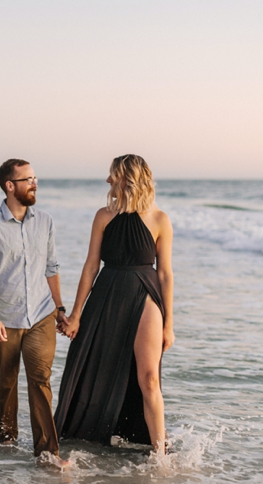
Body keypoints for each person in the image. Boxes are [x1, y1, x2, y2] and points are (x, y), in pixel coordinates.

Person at [54, 154, 174, 454]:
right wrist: (77, 315)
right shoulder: (104, 216)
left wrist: (169, 324)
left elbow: (165, 273)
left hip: (144, 294)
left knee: (149, 377)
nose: (108, 181)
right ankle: (91, 439)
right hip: (107, 294)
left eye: (113, 175)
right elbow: (91, 266)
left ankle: (161, 455)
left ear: (129, 178)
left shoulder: (160, 220)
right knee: (97, 368)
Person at [0, 159, 69, 465]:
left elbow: (51, 268)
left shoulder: (46, 221)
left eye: (35, 177)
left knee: (40, 379)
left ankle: (47, 454)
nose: (34, 183)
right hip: (6, 317)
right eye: (27, 179)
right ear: (10, 186)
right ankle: (7, 442)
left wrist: (60, 308)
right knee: (6, 382)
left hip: (42, 314)